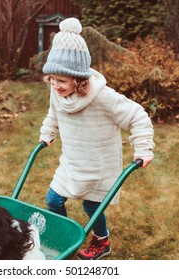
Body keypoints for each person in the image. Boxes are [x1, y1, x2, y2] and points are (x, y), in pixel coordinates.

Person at [39, 17, 155, 260]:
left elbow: (136, 115)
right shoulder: (56, 92)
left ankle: (102, 243)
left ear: (78, 78)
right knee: (53, 199)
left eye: (62, 81)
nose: (55, 86)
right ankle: (64, 237)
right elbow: (54, 114)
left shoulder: (103, 97)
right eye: (52, 79)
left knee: (92, 206)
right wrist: (47, 134)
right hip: (72, 159)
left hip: (98, 163)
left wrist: (143, 147)